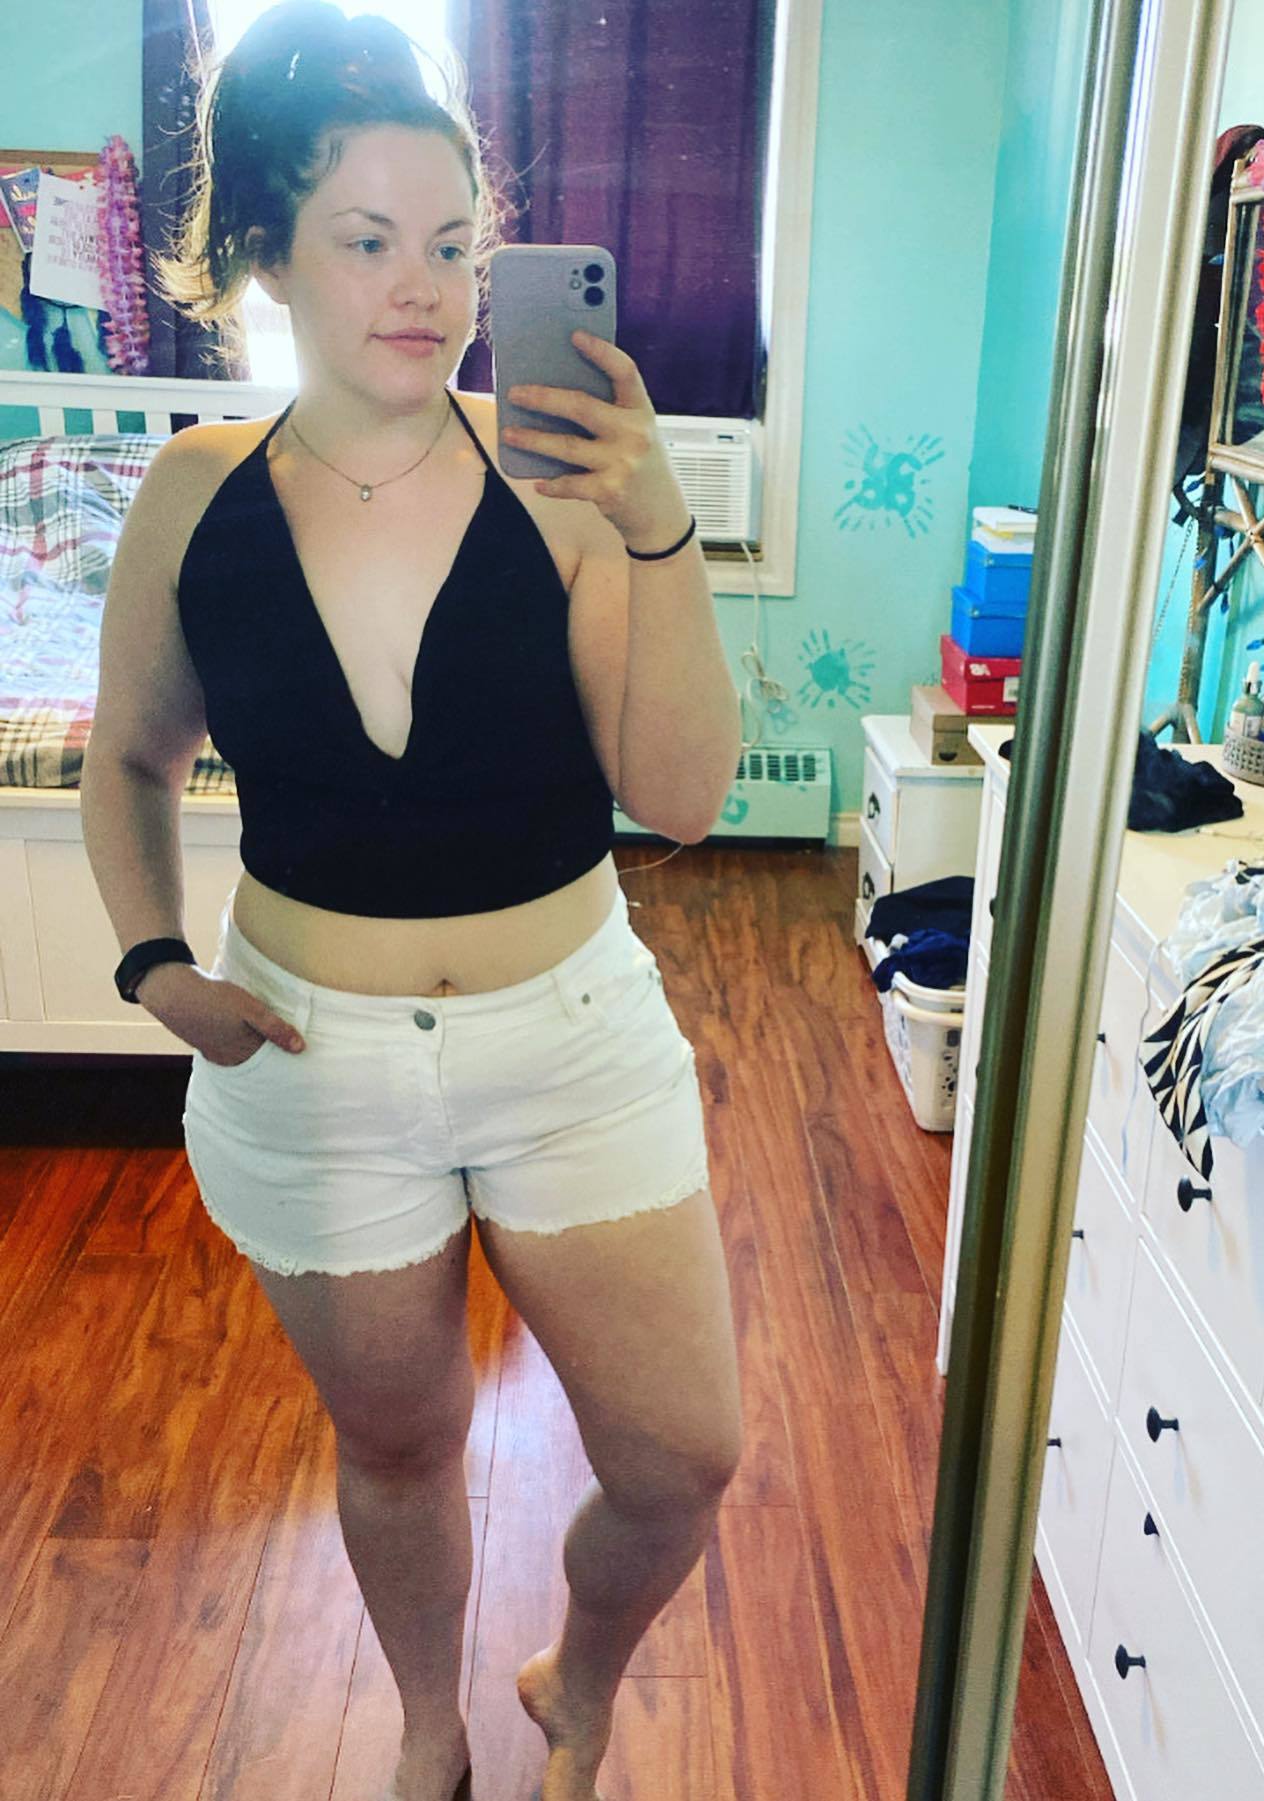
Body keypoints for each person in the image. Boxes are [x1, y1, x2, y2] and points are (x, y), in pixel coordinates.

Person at [79, 7, 744, 1800]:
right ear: (268, 259)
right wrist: (152, 963)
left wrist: (660, 521)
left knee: (681, 1454)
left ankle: (576, 1679)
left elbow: (685, 798)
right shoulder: (193, 493)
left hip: (571, 1040)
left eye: (452, 243)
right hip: (316, 1063)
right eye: (368, 240)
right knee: (397, 1445)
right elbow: (128, 756)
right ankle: (432, 1724)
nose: (423, 287)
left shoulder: (562, 486)